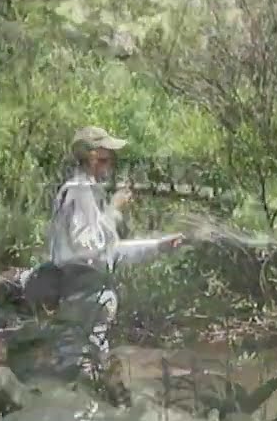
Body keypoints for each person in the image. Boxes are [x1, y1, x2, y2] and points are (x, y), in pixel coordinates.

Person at [44, 125, 181, 404]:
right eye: (107, 155)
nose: (111, 161)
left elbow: (109, 252)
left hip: (88, 298)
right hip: (82, 295)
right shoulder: (79, 191)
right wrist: (114, 210)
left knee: (89, 367)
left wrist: (159, 246)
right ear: (93, 156)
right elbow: (87, 245)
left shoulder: (87, 193)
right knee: (79, 367)